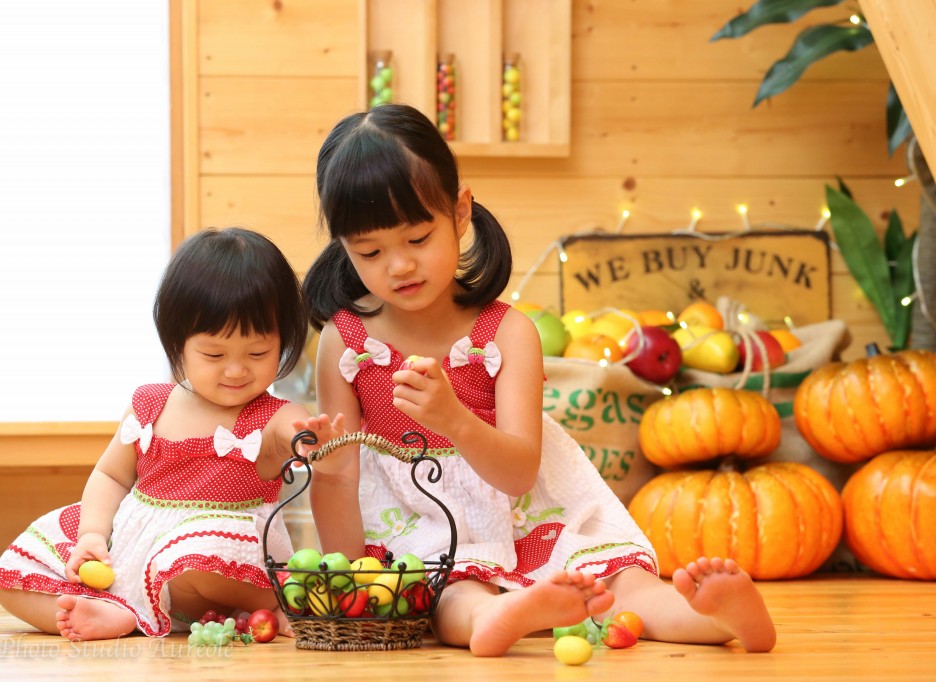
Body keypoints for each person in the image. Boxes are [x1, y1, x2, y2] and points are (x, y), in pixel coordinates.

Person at [299, 103, 777, 657]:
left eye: (417, 238)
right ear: (344, 248)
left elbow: (521, 473)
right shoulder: (346, 344)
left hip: (526, 512)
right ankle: (498, 617)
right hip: (424, 529)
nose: (399, 266)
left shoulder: (507, 334)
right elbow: (340, 486)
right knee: (447, 597)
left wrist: (452, 419)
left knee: (621, 588)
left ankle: (718, 618)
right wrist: (346, 550)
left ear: (460, 213)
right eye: (371, 251)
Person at [0, 227, 342, 642]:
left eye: (257, 353)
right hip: (134, 548)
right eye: (214, 354)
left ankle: (270, 604)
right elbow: (111, 476)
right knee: (15, 576)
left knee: (193, 563)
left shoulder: (272, 415)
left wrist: (316, 446)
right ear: (178, 343)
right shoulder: (149, 404)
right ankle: (120, 611)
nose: (236, 370)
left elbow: (298, 435)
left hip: (215, 556)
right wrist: (92, 536)